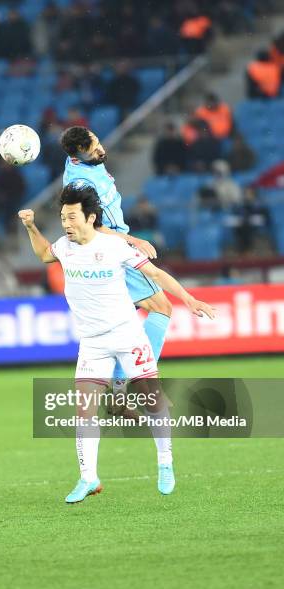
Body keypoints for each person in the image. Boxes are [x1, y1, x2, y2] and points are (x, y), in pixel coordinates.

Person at [18, 183, 215, 503]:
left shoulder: (114, 247)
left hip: (127, 335)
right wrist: (30, 226)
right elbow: (42, 254)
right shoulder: (64, 247)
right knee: (84, 411)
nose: (66, 224)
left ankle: (165, 463)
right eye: (62, 218)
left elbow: (156, 274)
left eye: (71, 217)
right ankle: (88, 478)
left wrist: (189, 299)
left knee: (152, 402)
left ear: (91, 217)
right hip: (92, 343)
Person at [60, 126, 173, 390]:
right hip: (112, 247)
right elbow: (94, 227)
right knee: (162, 308)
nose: (100, 148)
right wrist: (134, 241)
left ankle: (117, 391)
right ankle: (128, 383)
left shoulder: (89, 160)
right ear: (77, 155)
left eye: (98, 141)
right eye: (93, 147)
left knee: (124, 321)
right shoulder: (79, 185)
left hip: (113, 244)